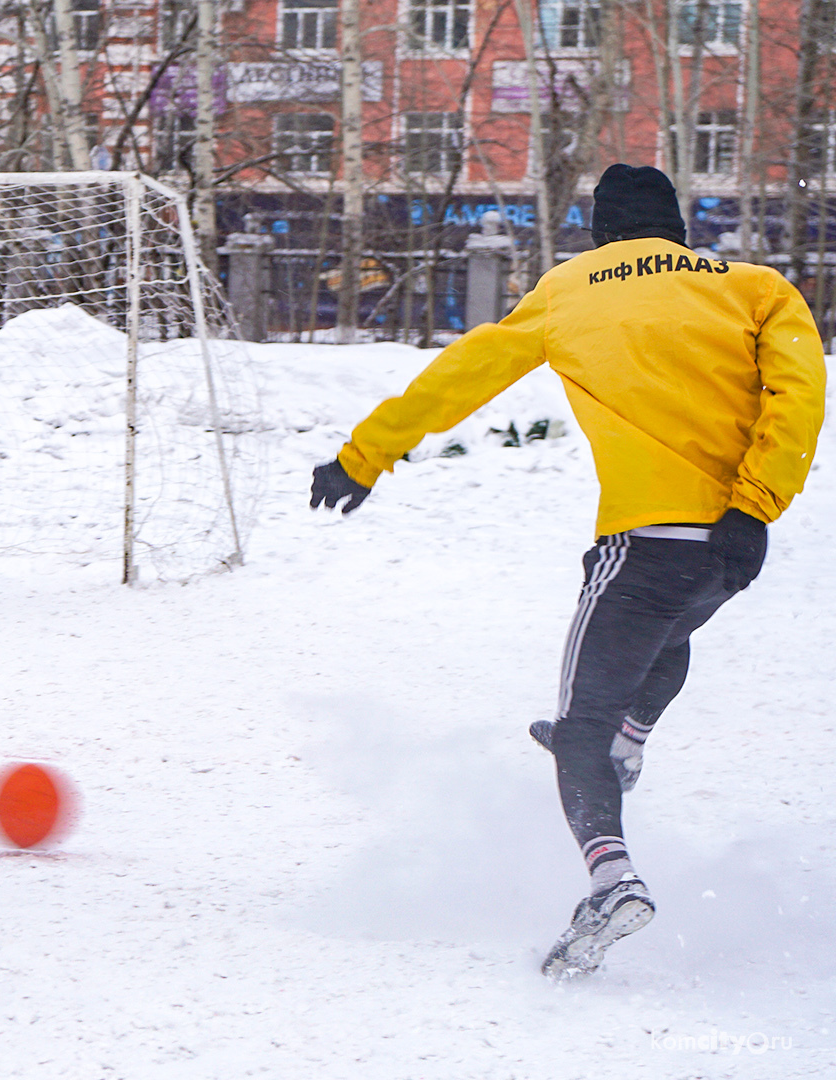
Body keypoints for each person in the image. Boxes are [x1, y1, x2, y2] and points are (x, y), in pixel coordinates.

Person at [310, 164, 825, 979]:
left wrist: (363, 456)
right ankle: (629, 740)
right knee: (667, 636)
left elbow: (463, 373)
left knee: (576, 728)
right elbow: (799, 394)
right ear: (679, 229)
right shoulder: (755, 287)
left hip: (639, 546)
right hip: (728, 548)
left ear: (599, 232)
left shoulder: (572, 287)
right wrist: (756, 504)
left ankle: (611, 878)